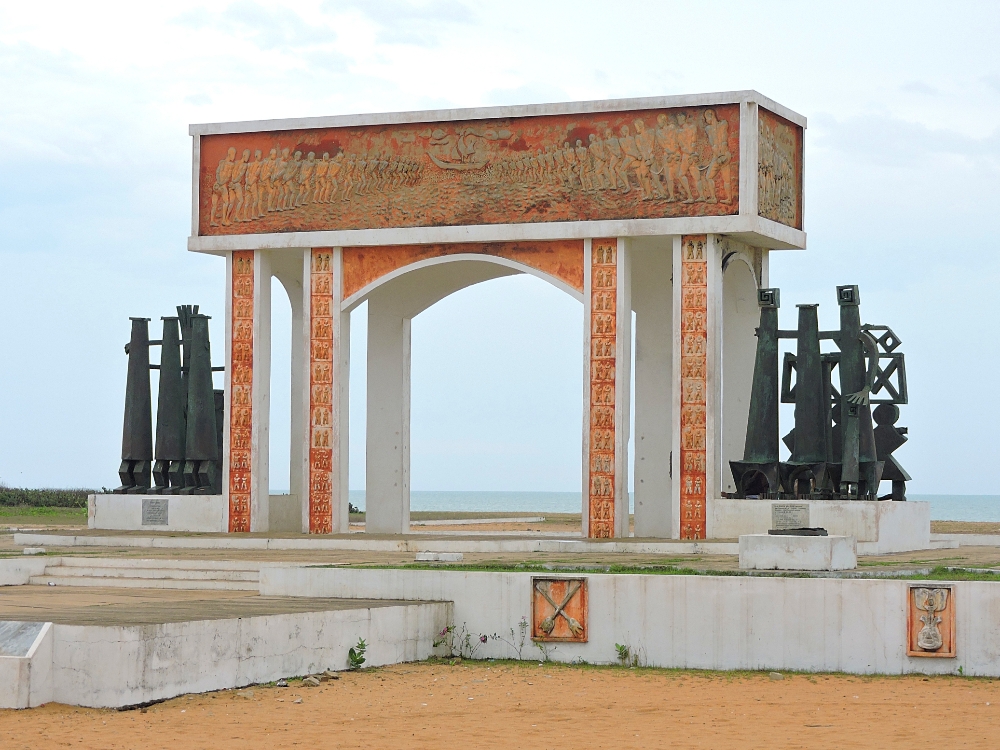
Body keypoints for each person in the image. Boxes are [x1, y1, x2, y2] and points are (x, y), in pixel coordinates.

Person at [703, 109, 734, 204]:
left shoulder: (713, 128)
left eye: (706, 118)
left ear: (711, 115)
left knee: (709, 177)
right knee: (726, 179)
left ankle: (714, 198)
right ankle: (728, 199)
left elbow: (715, 144)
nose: (706, 120)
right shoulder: (722, 124)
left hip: (720, 156)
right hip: (724, 154)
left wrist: (720, 155)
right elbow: (723, 140)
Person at [209, 147, 236, 227]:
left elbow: (217, 173)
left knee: (214, 204)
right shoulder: (230, 165)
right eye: (234, 154)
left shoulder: (221, 163)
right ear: (229, 154)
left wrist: (218, 182)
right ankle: (224, 220)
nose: (234, 156)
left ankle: (212, 221)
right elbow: (228, 177)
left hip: (216, 185)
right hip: (222, 186)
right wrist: (222, 183)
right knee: (226, 202)